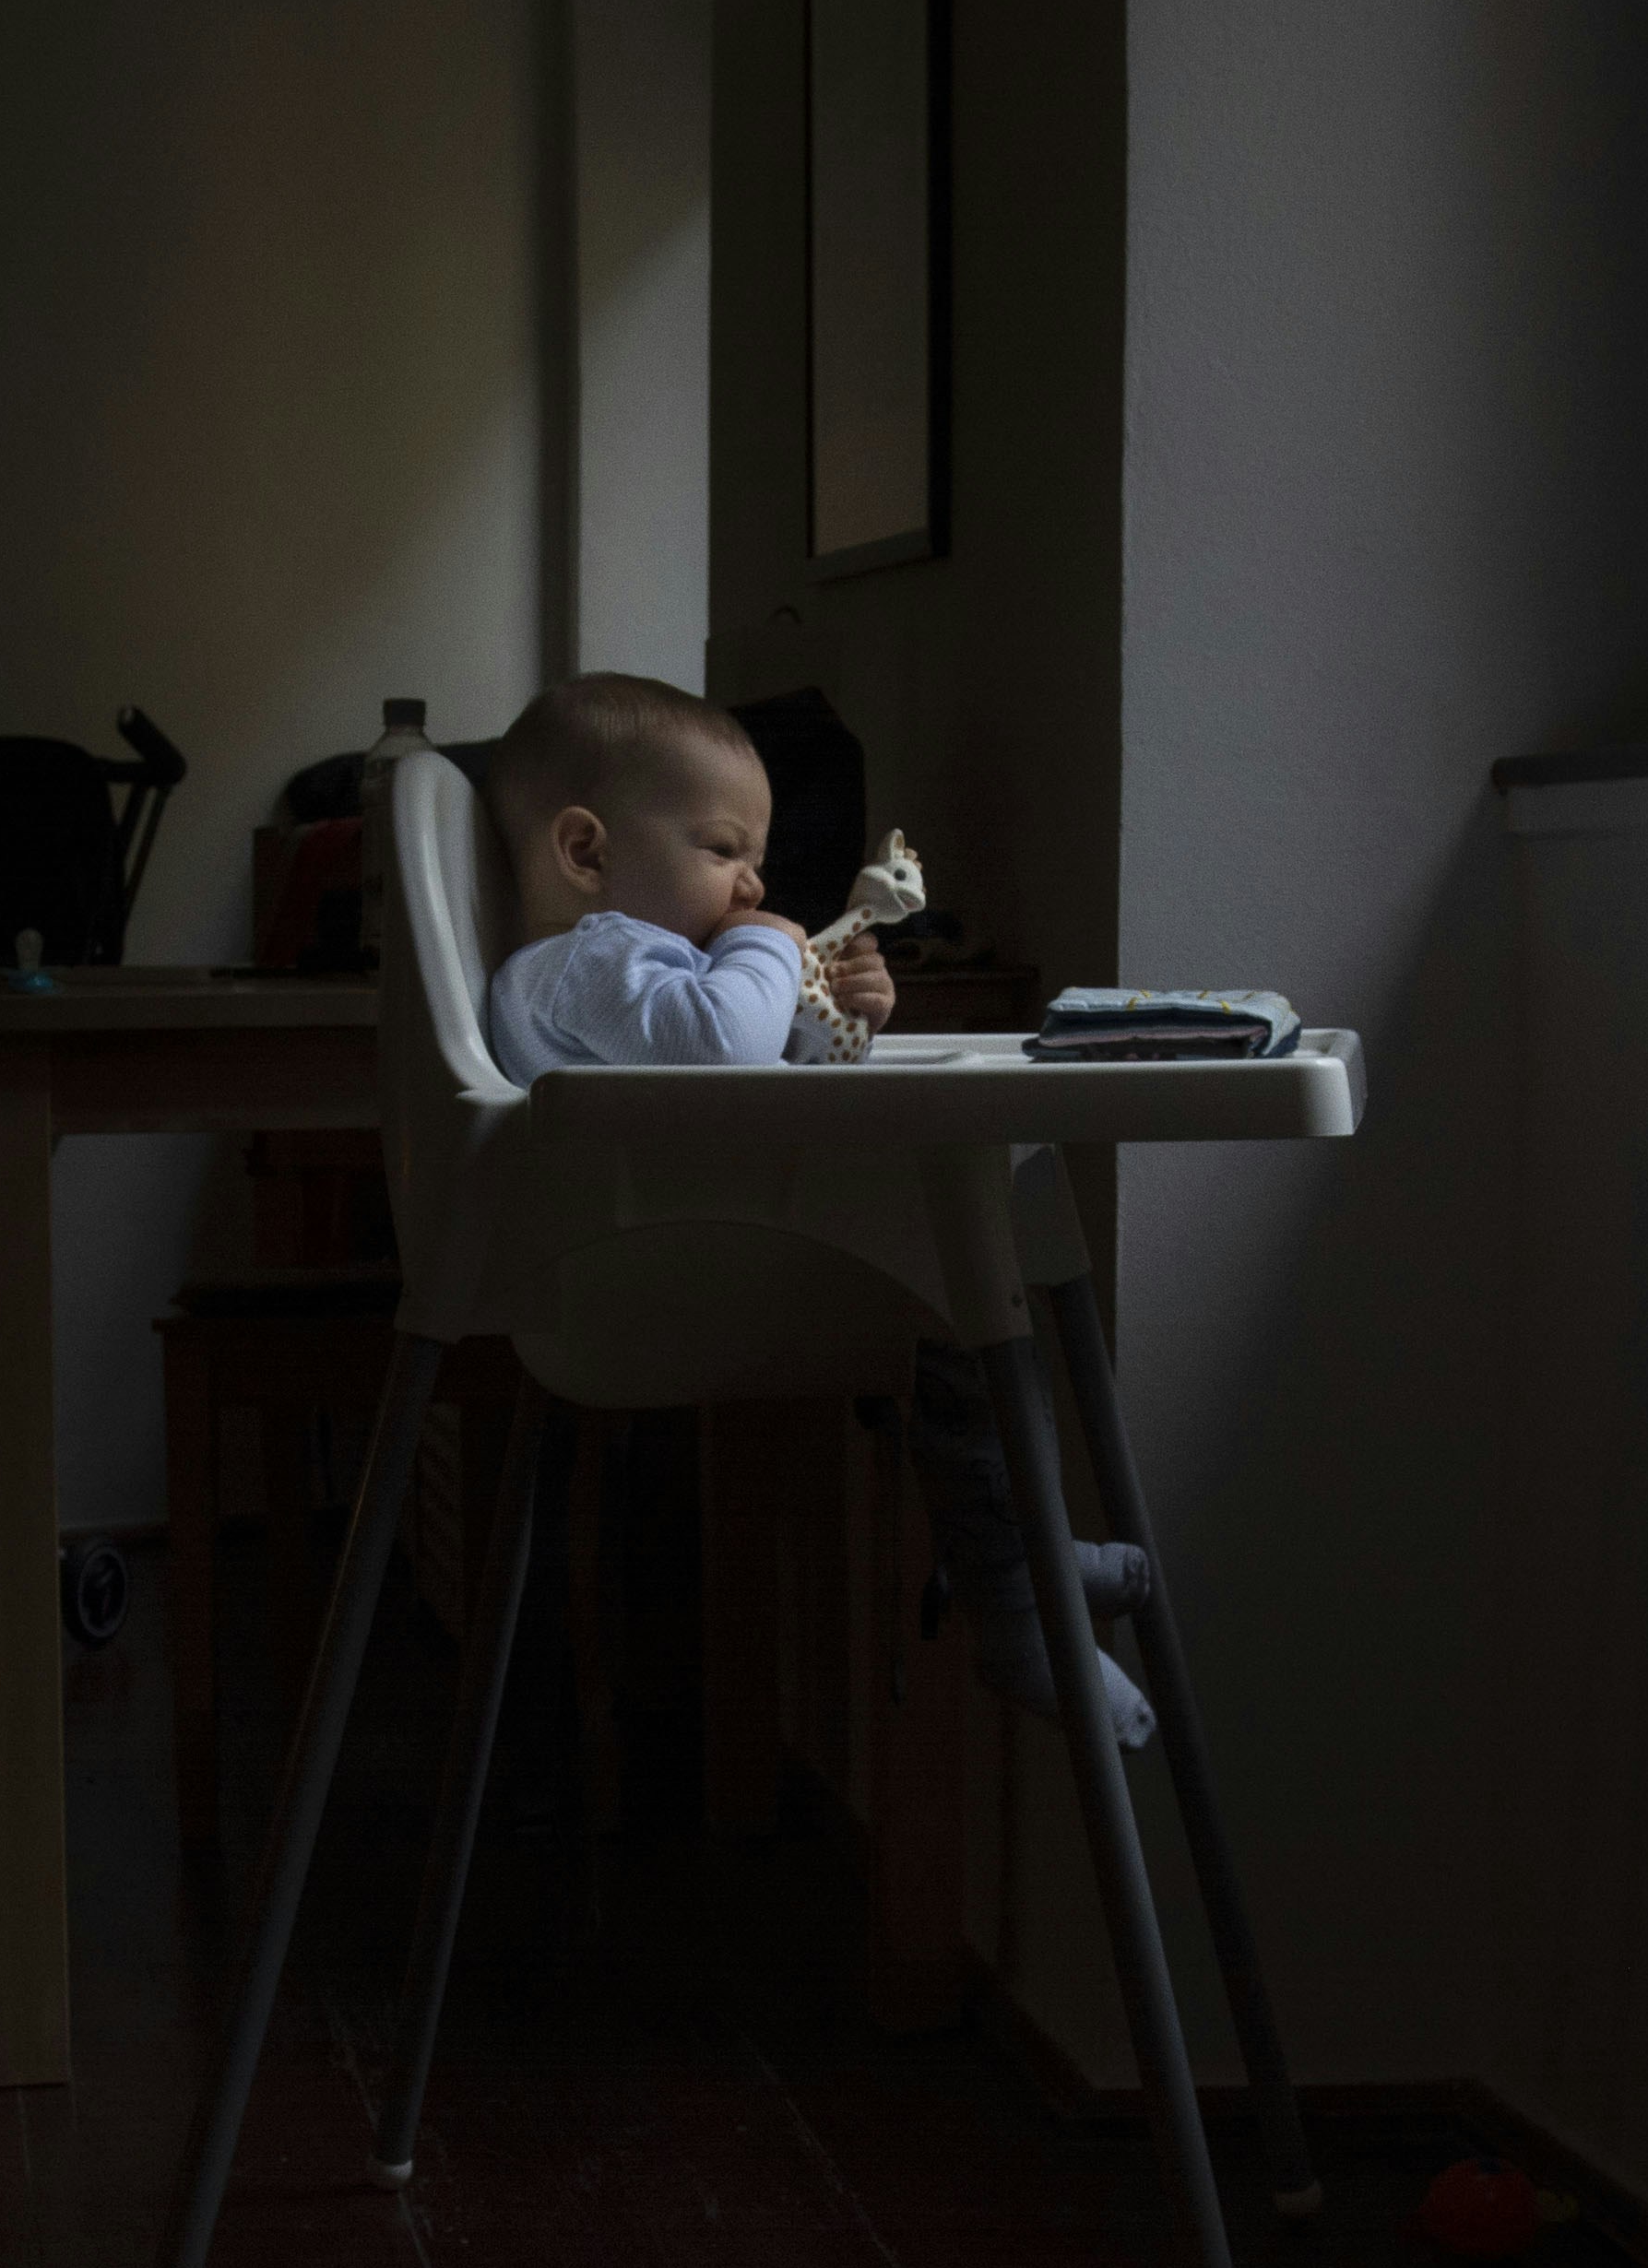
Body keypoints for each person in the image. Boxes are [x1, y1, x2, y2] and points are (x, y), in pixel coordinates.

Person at [471, 673, 1158, 1738]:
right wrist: (775, 951)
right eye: (721, 849)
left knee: (967, 1257)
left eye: (755, 861)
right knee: (961, 1262)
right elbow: (713, 1043)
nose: (751, 886)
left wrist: (835, 1018)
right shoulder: (577, 964)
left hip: (695, 1238)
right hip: (655, 1268)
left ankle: (1012, 1548)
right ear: (587, 852)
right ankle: (1011, 1583)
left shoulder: (636, 975)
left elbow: (730, 1067)